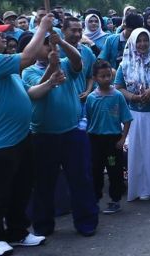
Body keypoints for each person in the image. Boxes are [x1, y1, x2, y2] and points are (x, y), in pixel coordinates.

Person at [0, 16, 48, 256]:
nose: (3, 36)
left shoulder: (6, 69)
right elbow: (28, 57)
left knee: (21, 188)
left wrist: (51, 80)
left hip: (20, 137)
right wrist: (42, 27)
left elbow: (32, 93)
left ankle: (17, 231)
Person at [22, 27, 97, 237]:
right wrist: (51, 71)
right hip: (43, 135)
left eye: (50, 42)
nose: (48, 47)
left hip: (72, 131)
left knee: (80, 178)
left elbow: (78, 62)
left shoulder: (65, 64)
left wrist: (62, 43)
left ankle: (86, 222)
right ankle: (43, 225)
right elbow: (36, 92)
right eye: (44, 44)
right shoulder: (29, 71)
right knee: (44, 182)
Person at [118, 29, 150, 201]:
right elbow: (118, 87)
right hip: (137, 114)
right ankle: (144, 189)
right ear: (132, 42)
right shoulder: (125, 63)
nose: (142, 44)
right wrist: (133, 97)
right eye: (138, 40)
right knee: (141, 151)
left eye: (145, 40)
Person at [85, 59, 131, 214]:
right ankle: (95, 199)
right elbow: (87, 120)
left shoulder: (117, 96)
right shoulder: (91, 98)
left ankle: (115, 199)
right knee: (96, 170)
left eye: (108, 76)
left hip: (113, 141)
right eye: (102, 76)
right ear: (95, 78)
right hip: (95, 140)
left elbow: (126, 119)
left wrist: (123, 138)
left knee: (114, 169)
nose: (106, 79)